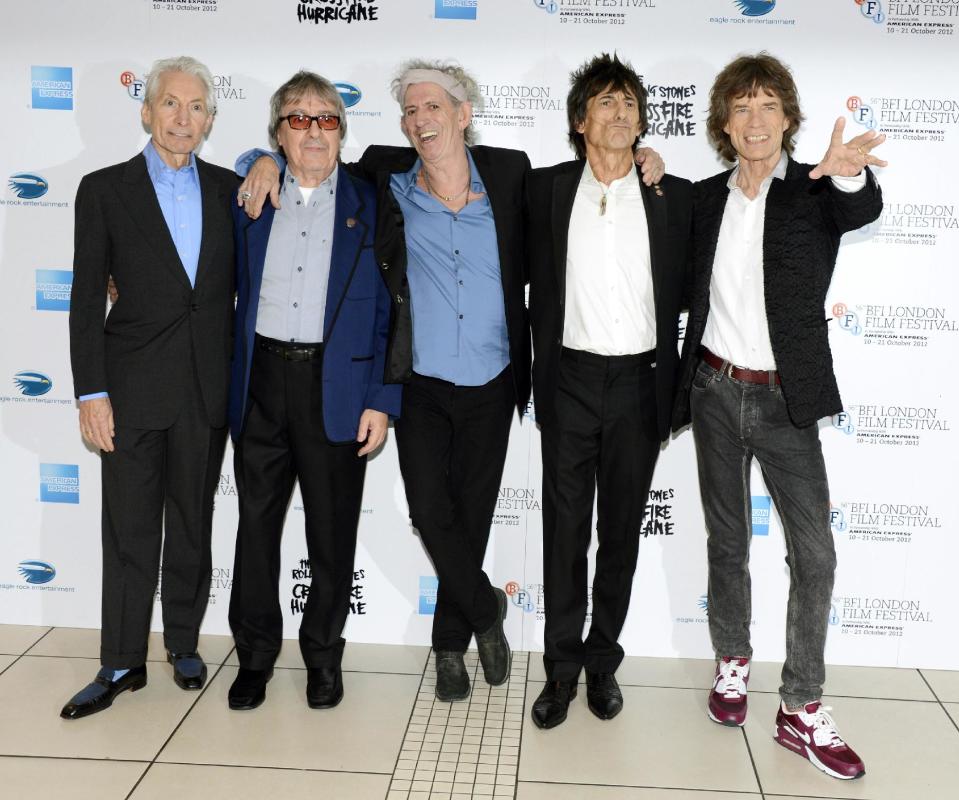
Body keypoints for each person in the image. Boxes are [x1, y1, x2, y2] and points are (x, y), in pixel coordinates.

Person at [236, 59, 664, 702]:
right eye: (410, 110)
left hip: (495, 378)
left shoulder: (514, 174)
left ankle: (447, 648)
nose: (421, 119)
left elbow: (591, 181)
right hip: (423, 383)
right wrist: (260, 159)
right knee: (431, 513)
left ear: (464, 114)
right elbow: (310, 158)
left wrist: (644, 155)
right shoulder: (386, 177)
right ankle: (486, 610)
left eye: (434, 106)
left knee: (470, 520)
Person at [672, 53, 886, 779]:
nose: (754, 119)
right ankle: (731, 661)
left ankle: (800, 704)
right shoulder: (703, 199)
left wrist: (848, 170)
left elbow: (859, 208)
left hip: (785, 399)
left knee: (814, 554)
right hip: (710, 388)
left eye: (767, 105)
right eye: (740, 107)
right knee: (726, 541)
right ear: (722, 124)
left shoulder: (813, 188)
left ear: (787, 119)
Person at [63, 56, 236, 719]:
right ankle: (120, 662)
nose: (182, 117)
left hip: (205, 387)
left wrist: (266, 163)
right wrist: (90, 393)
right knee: (130, 531)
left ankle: (185, 643)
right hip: (130, 390)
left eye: (196, 107)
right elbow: (84, 300)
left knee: (192, 523)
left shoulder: (231, 189)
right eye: (170, 104)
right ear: (146, 110)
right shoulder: (104, 189)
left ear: (209, 120)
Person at [225, 71, 400, 711]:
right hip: (261, 385)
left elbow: (392, 311)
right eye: (298, 120)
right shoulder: (246, 200)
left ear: (342, 132)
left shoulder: (375, 202)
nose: (314, 130)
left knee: (332, 537)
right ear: (278, 133)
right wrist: (259, 164)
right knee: (255, 531)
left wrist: (381, 397)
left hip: (341, 388)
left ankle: (324, 657)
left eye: (326, 119)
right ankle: (254, 658)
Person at [527, 54, 692, 729]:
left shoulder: (671, 195)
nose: (620, 113)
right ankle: (560, 672)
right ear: (578, 121)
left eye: (629, 103)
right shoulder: (542, 190)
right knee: (563, 535)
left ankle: (602, 665)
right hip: (567, 380)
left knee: (619, 532)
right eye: (604, 102)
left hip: (638, 384)